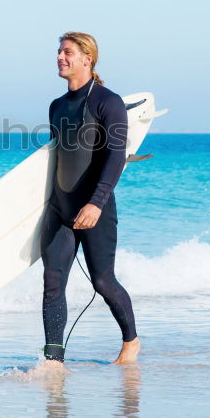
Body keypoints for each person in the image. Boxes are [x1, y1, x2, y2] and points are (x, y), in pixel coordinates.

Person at [41, 32, 140, 367]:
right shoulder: (56, 106)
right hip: (60, 207)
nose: (59, 57)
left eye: (67, 52)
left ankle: (131, 342)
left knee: (102, 281)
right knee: (53, 281)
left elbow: (116, 157)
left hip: (95, 208)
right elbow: (56, 159)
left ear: (87, 58)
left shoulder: (107, 102)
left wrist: (96, 202)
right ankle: (53, 360)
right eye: (58, 52)